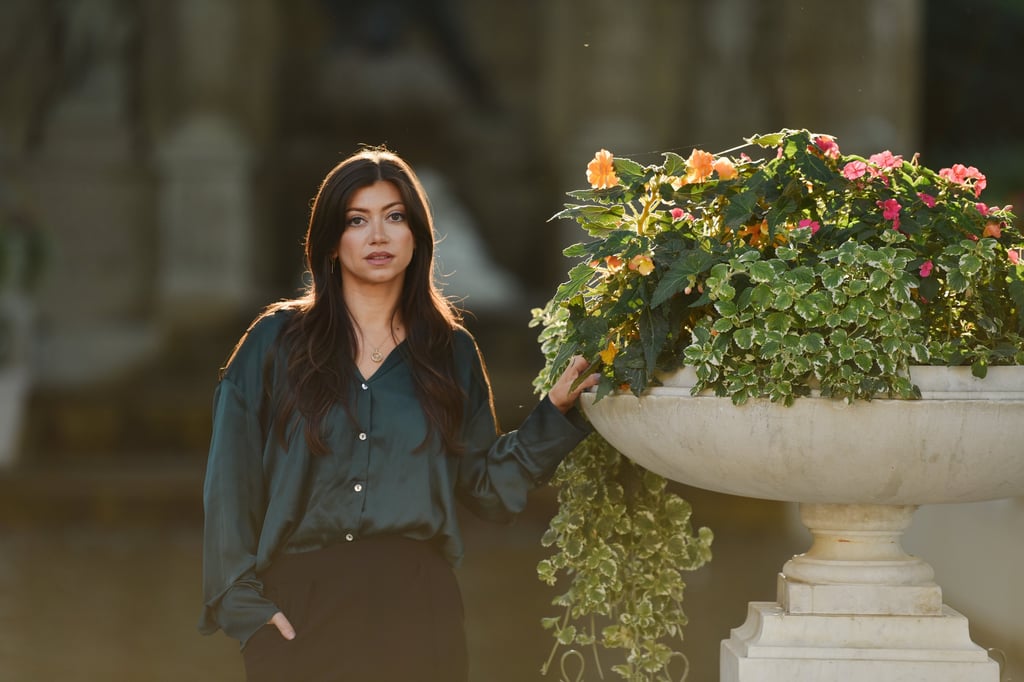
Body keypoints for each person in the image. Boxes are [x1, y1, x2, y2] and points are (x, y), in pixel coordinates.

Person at [198, 147, 599, 682]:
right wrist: (245, 609)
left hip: (418, 611)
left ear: (418, 235)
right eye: (357, 221)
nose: (378, 236)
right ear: (331, 242)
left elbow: (487, 488)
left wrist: (555, 413)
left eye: (394, 217)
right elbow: (231, 480)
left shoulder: (449, 351)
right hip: (299, 611)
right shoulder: (274, 343)